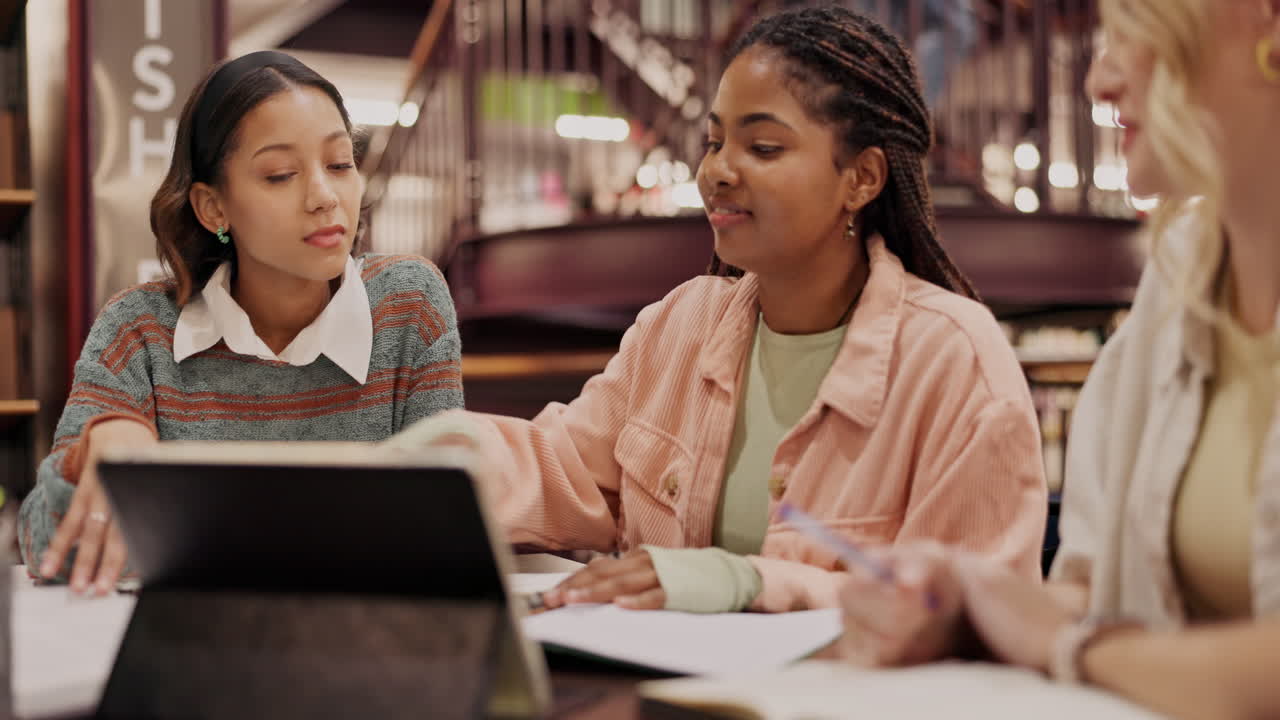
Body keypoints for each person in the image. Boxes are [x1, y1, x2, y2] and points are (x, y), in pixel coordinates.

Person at [387, 6, 1046, 615]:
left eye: (763, 148)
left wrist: (747, 582)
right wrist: (412, 463)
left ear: (862, 178)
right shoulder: (683, 324)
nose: (716, 172)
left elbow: (979, 609)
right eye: (713, 141)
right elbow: (559, 468)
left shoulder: (954, 359)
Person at [835, 1, 1280, 717]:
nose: (1100, 78)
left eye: (1138, 28)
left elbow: (1089, 640)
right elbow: (1101, 596)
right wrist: (970, 602)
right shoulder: (1170, 293)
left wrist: (1074, 651)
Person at [20, 51, 464, 595]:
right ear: (212, 209)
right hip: (191, 655)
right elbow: (44, 547)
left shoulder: (408, 304)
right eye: (280, 175)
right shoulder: (139, 329)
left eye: (341, 163)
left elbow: (444, 532)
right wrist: (100, 443)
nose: (325, 197)